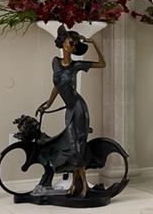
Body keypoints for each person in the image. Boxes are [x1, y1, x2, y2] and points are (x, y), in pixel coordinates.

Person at [36, 25, 106, 197]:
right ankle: (77, 185)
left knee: (77, 146)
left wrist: (93, 43)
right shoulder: (55, 62)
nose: (71, 44)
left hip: (79, 108)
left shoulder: (76, 65)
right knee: (73, 146)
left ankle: (82, 186)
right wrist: (48, 104)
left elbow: (102, 64)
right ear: (62, 43)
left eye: (74, 43)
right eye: (69, 41)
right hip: (69, 110)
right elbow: (57, 86)